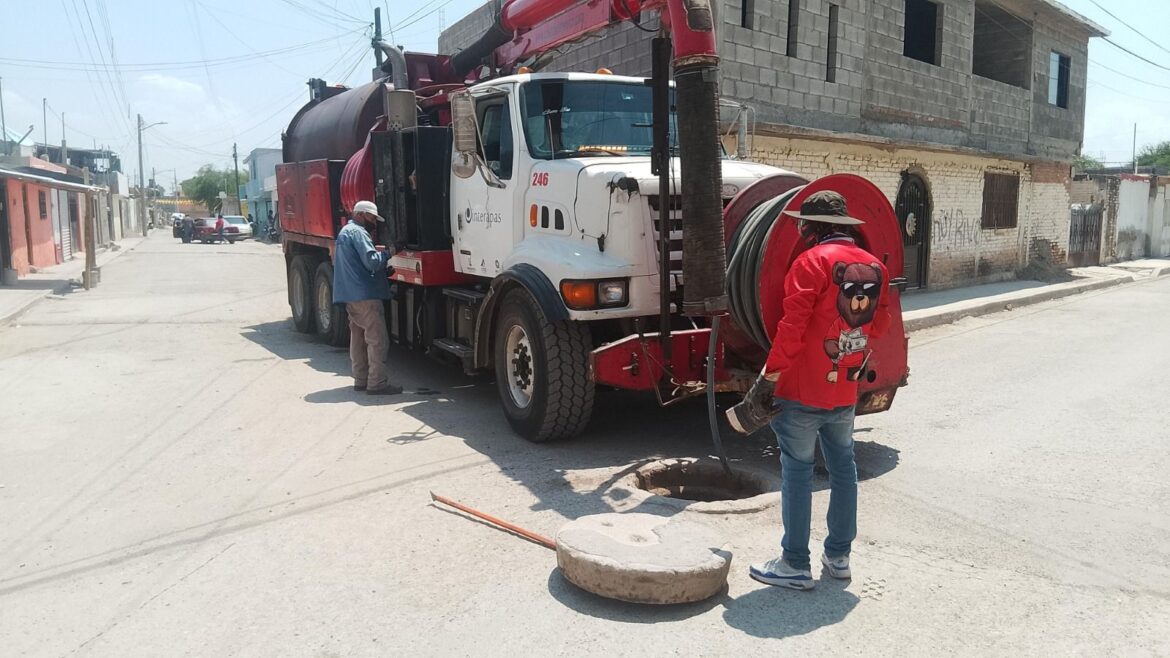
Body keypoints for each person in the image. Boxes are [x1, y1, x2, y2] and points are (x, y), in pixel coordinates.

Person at [749, 190, 891, 591]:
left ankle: (794, 563)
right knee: (843, 468)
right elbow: (878, 324)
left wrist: (770, 376)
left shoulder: (809, 262)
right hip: (843, 388)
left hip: (801, 388)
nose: (799, 229)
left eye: (801, 224)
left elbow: (790, 327)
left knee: (797, 471)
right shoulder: (873, 267)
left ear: (812, 228)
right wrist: (853, 352)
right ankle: (839, 557)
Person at [333, 200, 401, 396]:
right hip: (366, 295)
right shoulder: (359, 233)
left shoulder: (345, 232)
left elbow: (357, 264)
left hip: (350, 294)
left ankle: (361, 380)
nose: (374, 222)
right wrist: (389, 253)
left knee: (358, 339)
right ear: (361, 214)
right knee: (377, 340)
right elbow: (371, 261)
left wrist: (381, 272)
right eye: (372, 218)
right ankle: (377, 383)